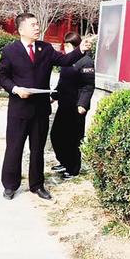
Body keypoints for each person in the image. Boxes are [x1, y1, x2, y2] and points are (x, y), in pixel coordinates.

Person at [0, 13, 91, 200]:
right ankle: (10, 185)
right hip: (19, 109)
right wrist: (15, 89)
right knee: (14, 148)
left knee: (38, 149)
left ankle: (37, 185)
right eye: (32, 25)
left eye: (37, 24)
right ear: (21, 29)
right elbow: (2, 77)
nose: (37, 27)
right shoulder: (10, 50)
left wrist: (80, 49)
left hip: (40, 110)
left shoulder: (45, 48)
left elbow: (64, 61)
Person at [50, 32, 95, 179]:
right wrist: (54, 96)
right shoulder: (67, 61)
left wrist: (83, 104)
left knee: (73, 138)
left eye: (68, 46)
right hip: (64, 104)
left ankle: (73, 168)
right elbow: (62, 83)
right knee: (57, 135)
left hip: (76, 107)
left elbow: (88, 86)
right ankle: (64, 161)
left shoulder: (86, 62)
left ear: (75, 45)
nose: (65, 48)